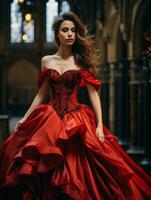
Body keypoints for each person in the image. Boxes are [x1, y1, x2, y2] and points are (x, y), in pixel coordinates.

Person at [0, 11, 151, 200]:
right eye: (65, 30)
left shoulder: (81, 61)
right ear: (58, 35)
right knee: (40, 161)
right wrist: (25, 117)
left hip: (75, 120)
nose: (70, 33)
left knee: (77, 167)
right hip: (50, 119)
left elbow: (93, 95)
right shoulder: (46, 61)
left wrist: (99, 126)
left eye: (73, 30)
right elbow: (42, 94)